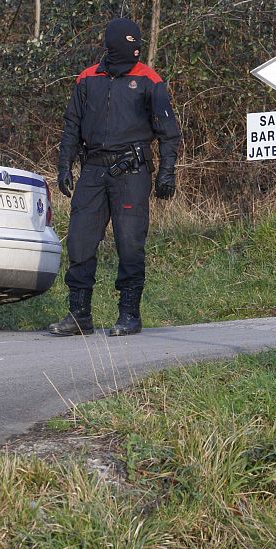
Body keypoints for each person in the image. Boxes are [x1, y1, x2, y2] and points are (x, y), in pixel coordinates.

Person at [48, 17, 181, 337]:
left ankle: (129, 315)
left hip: (131, 172)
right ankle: (79, 315)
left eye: (138, 48)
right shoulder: (87, 79)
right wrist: (64, 165)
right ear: (113, 47)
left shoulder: (149, 79)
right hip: (92, 170)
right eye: (130, 48)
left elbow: (169, 133)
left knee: (130, 243)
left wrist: (167, 172)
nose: (135, 54)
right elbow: (71, 126)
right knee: (79, 241)